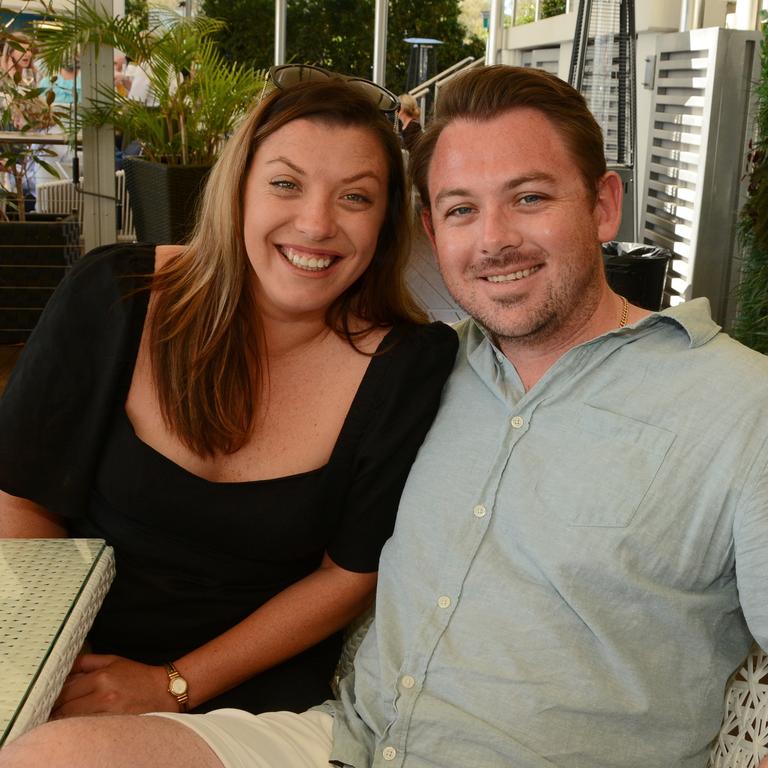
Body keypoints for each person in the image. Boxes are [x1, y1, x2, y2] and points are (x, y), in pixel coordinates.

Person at [3, 64, 767, 768]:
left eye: (530, 197)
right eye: (463, 208)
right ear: (433, 234)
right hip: (346, 737)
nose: (495, 239)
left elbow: (347, 572)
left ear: (603, 206)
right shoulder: (442, 366)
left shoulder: (737, 407)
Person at [0, 70, 456, 719]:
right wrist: (51, 662)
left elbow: (348, 575)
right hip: (71, 649)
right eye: (285, 184)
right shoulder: (115, 294)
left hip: (247, 685)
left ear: (385, 224)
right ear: (238, 189)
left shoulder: (408, 365)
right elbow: (22, 496)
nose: (316, 222)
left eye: (355, 197)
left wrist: (171, 685)